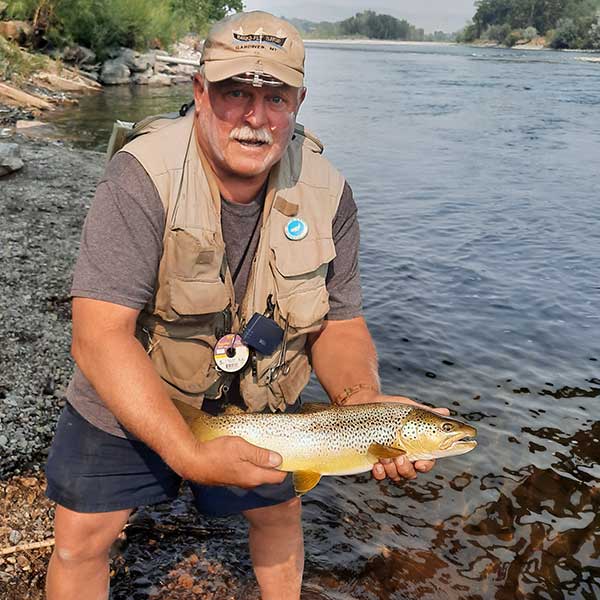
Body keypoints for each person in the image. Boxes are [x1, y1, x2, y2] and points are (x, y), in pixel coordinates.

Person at [44, 10, 449, 600]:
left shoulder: (329, 191)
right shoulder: (139, 177)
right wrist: (189, 455)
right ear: (200, 92)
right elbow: (99, 338)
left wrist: (364, 409)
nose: (255, 118)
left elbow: (341, 323)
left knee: (279, 517)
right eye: (236, 93)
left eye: (276, 97)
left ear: (299, 100)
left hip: (260, 397)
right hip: (138, 388)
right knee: (81, 541)